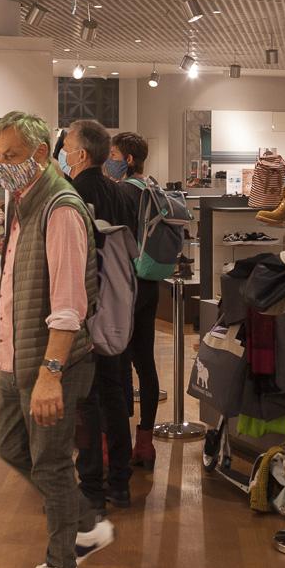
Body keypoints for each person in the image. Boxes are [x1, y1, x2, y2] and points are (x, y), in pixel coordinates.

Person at [0, 111, 114, 568]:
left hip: (49, 362)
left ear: (41, 154)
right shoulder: (22, 202)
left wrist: (50, 374)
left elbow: (68, 304)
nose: (3, 165)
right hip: (15, 355)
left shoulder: (60, 208)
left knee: (52, 463)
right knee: (11, 447)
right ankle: (85, 524)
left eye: (12, 156)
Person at [65, 118, 137, 513]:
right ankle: (120, 482)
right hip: (118, 308)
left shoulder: (72, 195)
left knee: (86, 400)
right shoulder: (120, 192)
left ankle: (91, 487)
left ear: (80, 154)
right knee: (114, 392)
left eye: (67, 146)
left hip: (86, 308)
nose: (64, 152)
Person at [109, 130, 162, 468]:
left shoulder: (122, 192)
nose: (109, 161)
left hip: (125, 285)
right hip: (151, 282)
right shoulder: (152, 189)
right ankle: (146, 443)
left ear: (128, 159)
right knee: (145, 363)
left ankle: (118, 444)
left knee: (117, 364)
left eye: (114, 156)